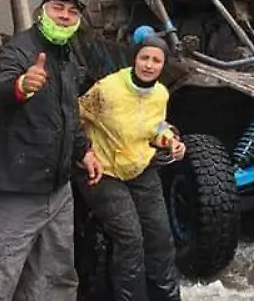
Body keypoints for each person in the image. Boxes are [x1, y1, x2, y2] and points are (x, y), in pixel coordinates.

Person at [0, 0, 103, 301]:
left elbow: (68, 112)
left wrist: (83, 151)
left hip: (57, 189)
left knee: (55, 277)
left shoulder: (67, 55)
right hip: (15, 188)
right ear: (43, 9)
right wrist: (22, 86)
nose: (65, 16)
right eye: (58, 7)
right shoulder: (18, 49)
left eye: (72, 11)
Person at [76, 30, 185, 301]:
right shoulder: (107, 89)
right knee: (130, 240)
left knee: (160, 238)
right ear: (134, 59)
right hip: (103, 172)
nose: (149, 65)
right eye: (144, 58)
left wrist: (171, 141)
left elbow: (155, 128)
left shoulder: (160, 93)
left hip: (140, 167)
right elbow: (75, 118)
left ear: (163, 65)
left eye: (156, 61)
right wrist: (84, 152)